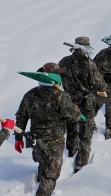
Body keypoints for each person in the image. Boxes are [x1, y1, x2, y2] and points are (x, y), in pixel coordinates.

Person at [14, 63, 81, 196]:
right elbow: (74, 116)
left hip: (35, 140)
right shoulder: (61, 97)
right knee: (51, 177)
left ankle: (41, 179)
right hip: (54, 142)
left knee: (43, 164)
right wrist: (76, 109)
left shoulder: (30, 94)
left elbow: (21, 116)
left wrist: (18, 138)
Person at [58, 36, 107, 173]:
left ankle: (70, 151)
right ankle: (81, 163)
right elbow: (99, 84)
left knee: (71, 127)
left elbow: (56, 77)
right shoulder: (89, 64)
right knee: (86, 135)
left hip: (68, 100)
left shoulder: (64, 61)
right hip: (86, 102)